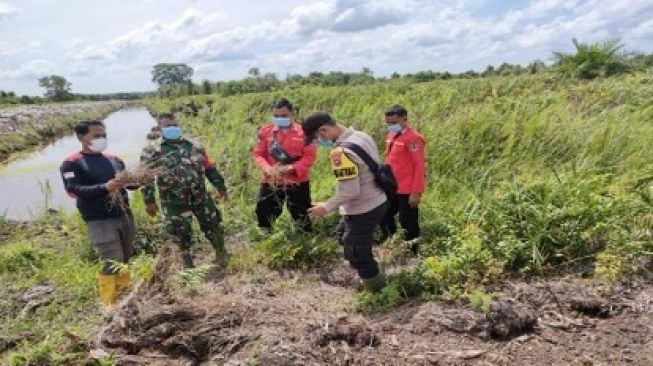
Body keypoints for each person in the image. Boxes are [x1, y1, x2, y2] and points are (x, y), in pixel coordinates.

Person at [303, 112, 387, 293]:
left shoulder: (340, 153)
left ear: (324, 131)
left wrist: (325, 207)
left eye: (317, 138)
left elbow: (351, 191)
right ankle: (371, 274)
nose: (319, 142)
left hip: (363, 207)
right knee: (343, 236)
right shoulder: (362, 136)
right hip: (378, 199)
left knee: (356, 252)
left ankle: (378, 291)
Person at [60, 120, 134, 305]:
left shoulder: (114, 160)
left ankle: (126, 296)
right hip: (99, 220)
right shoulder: (72, 163)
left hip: (124, 214)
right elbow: (73, 190)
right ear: (81, 137)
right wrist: (105, 187)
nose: (102, 139)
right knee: (112, 260)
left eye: (104, 135)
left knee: (126, 256)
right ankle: (109, 303)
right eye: (97, 135)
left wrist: (139, 180)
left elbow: (128, 184)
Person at [140, 113, 228, 269]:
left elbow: (209, 168)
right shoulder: (153, 150)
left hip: (200, 196)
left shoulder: (195, 145)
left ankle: (221, 254)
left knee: (213, 224)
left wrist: (220, 186)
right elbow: (146, 178)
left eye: (174, 125)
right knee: (180, 234)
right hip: (174, 201)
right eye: (167, 126)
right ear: (159, 128)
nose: (172, 128)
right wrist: (149, 201)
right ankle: (188, 266)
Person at [252, 98, 316, 233]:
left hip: (298, 180)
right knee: (264, 209)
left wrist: (293, 168)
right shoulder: (266, 132)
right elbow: (258, 154)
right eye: (276, 116)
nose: (280, 119)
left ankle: (304, 237)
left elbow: (309, 156)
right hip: (271, 179)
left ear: (292, 113)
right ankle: (265, 234)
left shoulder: (304, 133)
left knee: (301, 211)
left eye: (283, 116)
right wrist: (267, 168)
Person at [379, 105, 426, 253]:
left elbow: (419, 166)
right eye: (388, 122)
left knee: (408, 222)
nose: (390, 126)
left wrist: (416, 192)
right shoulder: (392, 135)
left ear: (404, 119)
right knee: (383, 215)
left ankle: (412, 251)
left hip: (407, 189)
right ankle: (391, 242)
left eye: (393, 122)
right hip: (391, 186)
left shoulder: (413, 138)